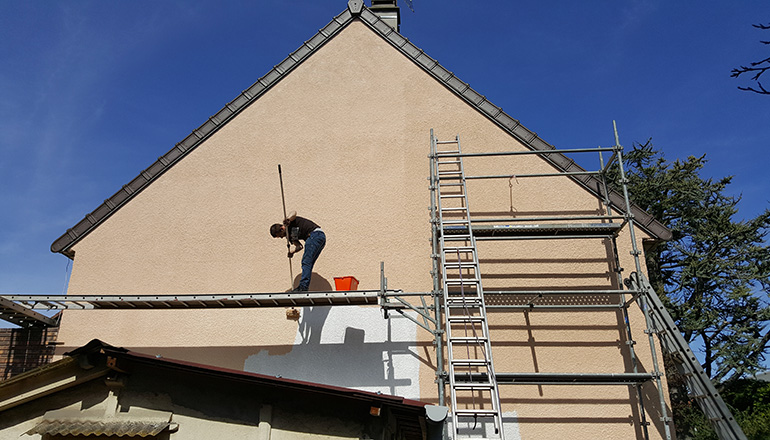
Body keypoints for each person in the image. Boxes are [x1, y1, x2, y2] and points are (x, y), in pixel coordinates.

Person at [270, 211, 326, 292]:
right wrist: (292, 252)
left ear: (282, 229)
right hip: (319, 238)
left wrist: (288, 219)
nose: (282, 238)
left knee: (306, 262)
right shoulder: (290, 236)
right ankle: (304, 286)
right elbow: (299, 246)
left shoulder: (288, 223)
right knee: (308, 263)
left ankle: (303, 287)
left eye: (280, 235)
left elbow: (294, 213)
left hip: (315, 235)